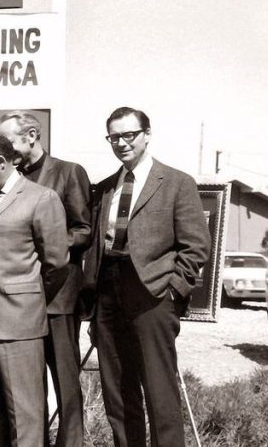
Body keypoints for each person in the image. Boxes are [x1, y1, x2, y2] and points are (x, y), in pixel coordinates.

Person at [83, 107, 210, 447]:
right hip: (108, 292)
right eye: (114, 137)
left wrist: (172, 291)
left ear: (147, 135)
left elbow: (196, 246)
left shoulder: (176, 182)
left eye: (129, 135)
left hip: (152, 294)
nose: (121, 143)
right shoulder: (106, 187)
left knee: (159, 390)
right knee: (118, 389)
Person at [0, 134, 68, 447]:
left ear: (2, 162)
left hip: (19, 322)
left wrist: (25, 298)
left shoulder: (41, 198)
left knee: (24, 416)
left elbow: (57, 263)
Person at [0, 110, 91, 447]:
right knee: (25, 389)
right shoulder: (10, 178)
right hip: (20, 302)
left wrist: (46, 242)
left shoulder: (68, 173)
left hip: (58, 300)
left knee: (66, 386)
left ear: (32, 135)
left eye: (9, 142)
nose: (3, 150)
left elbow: (83, 230)